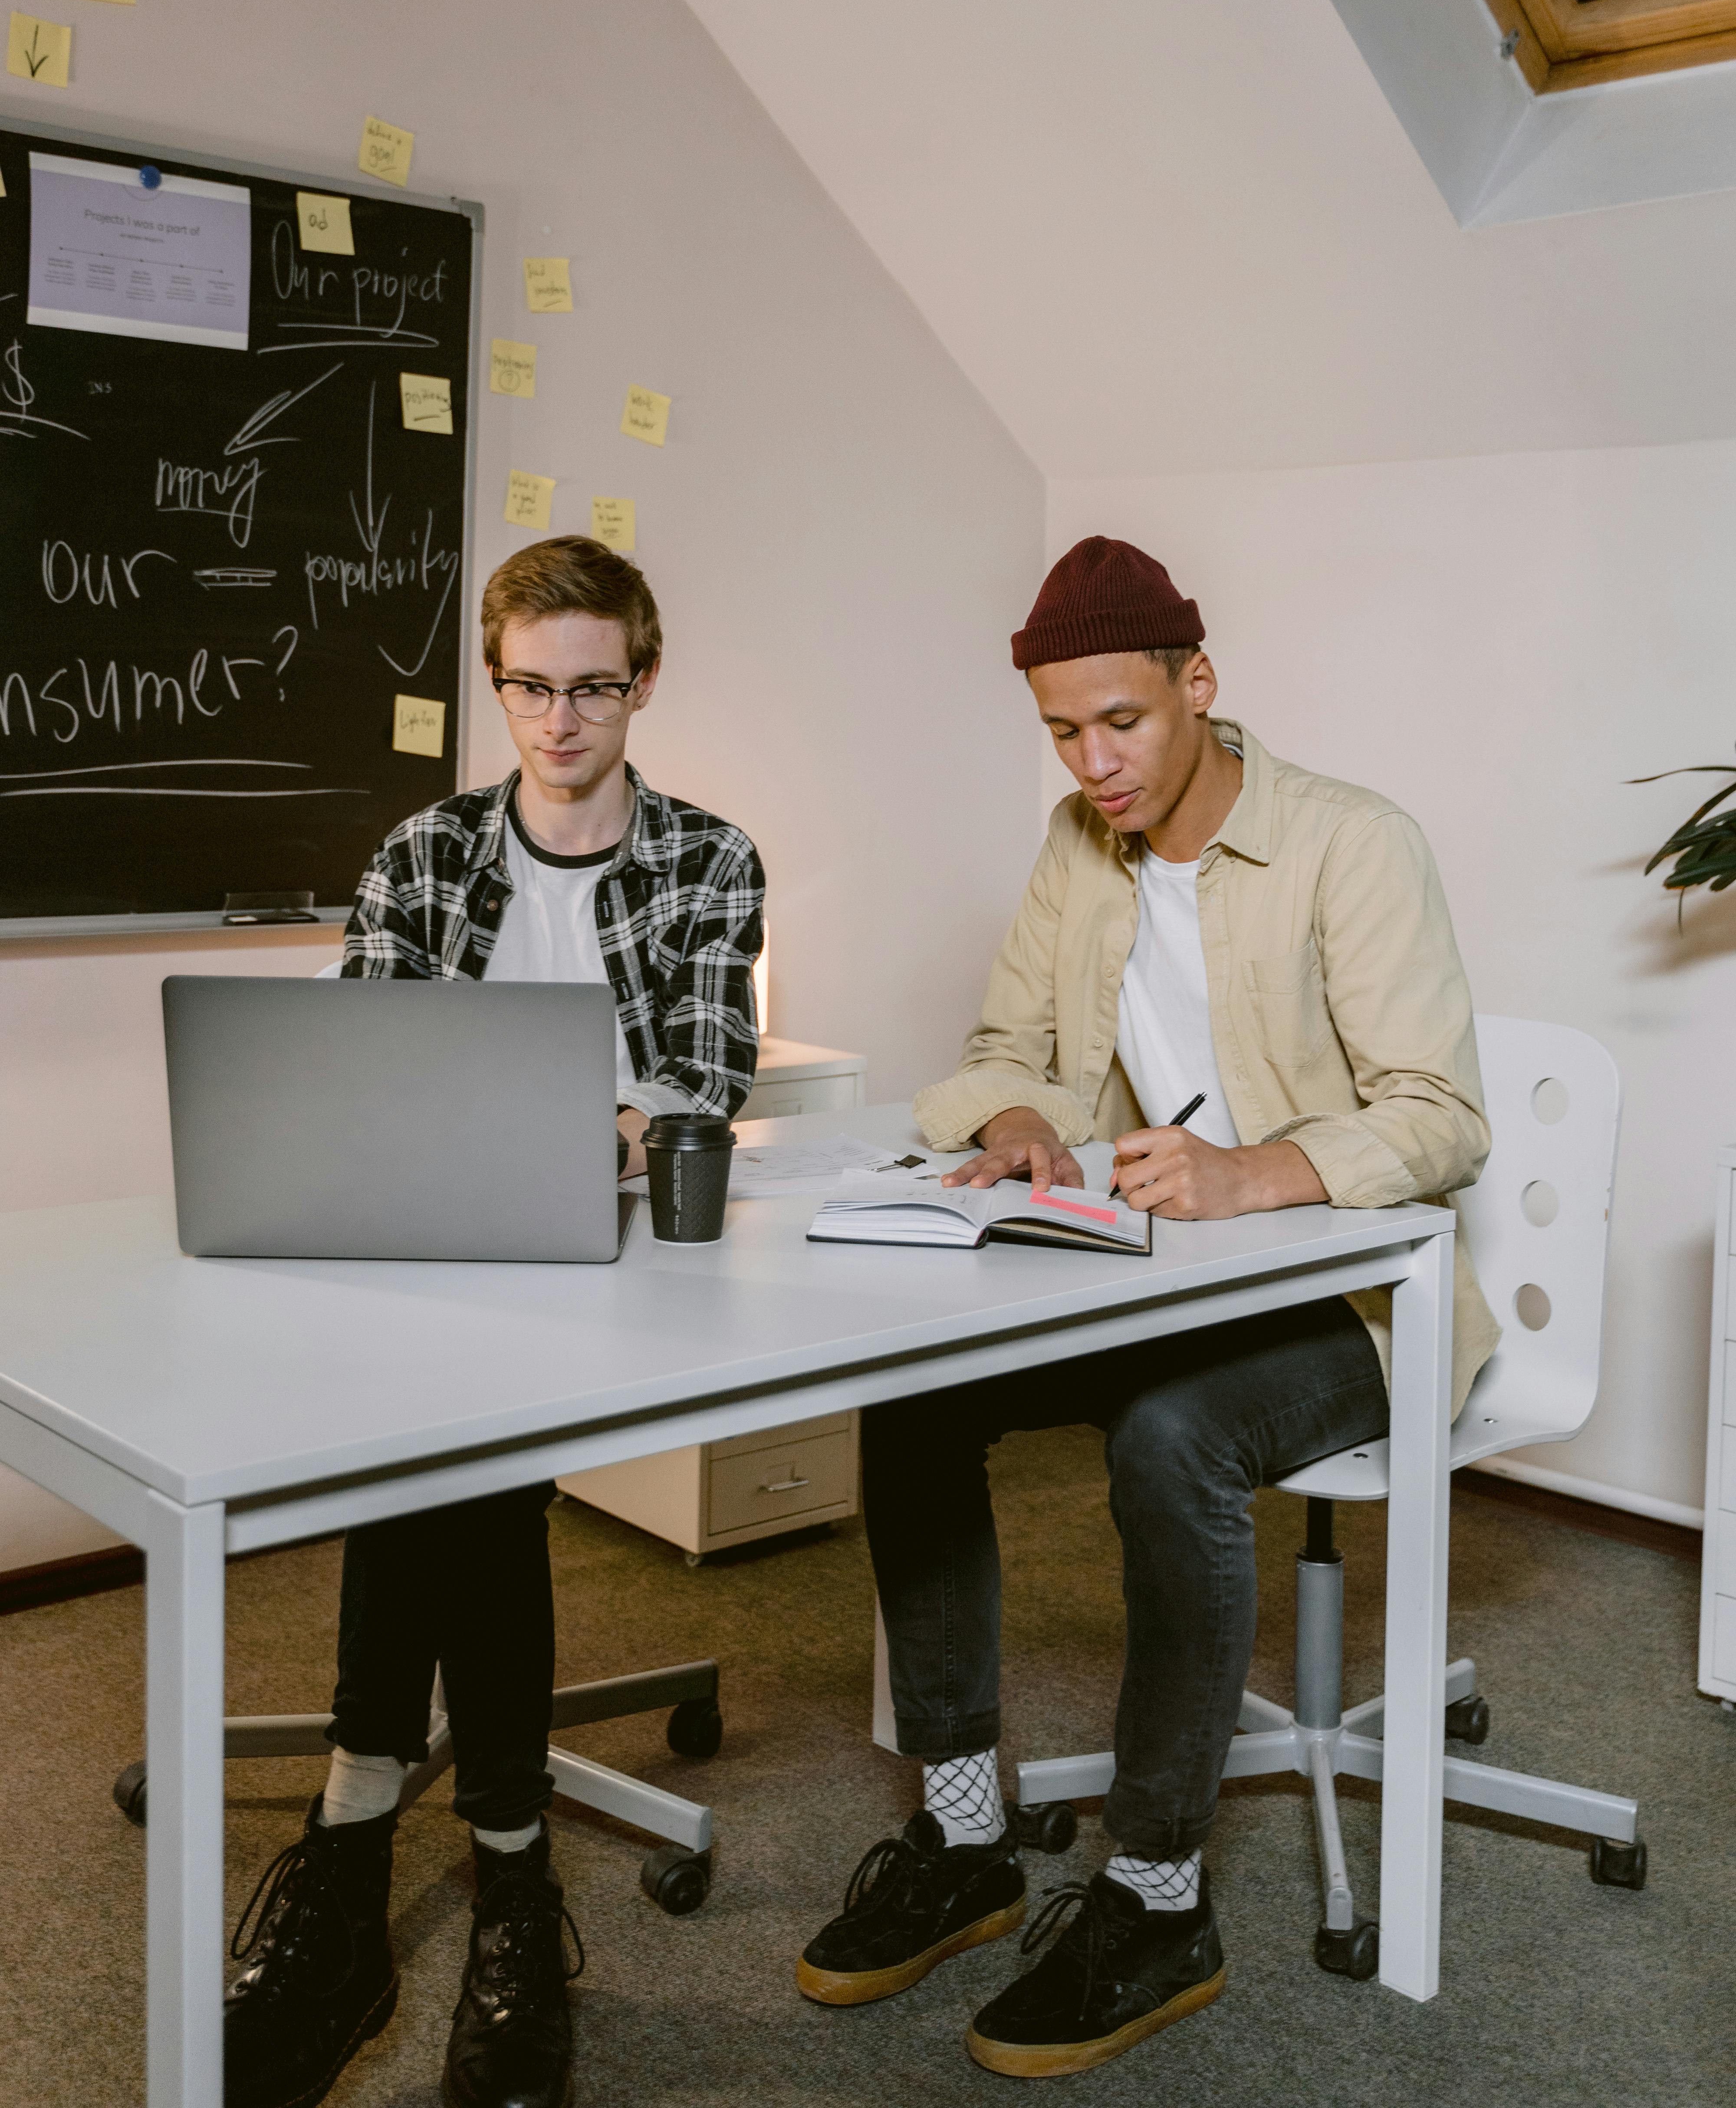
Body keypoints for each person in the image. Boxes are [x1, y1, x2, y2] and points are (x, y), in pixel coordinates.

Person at [798, 535, 1498, 2078]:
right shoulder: (1077, 843)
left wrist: (1259, 1174)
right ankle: (970, 1832)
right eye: (1061, 731)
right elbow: (1003, 1043)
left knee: (1170, 1442)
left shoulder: (1353, 844)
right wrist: (1015, 1128)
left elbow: (1444, 1116)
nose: (1094, 762)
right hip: (1157, 1274)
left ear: (1200, 685)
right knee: (914, 1387)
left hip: (1361, 1307)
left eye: (1122, 721)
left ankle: (1161, 1892)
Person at [224, 535, 765, 2108]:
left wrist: (570, 1126)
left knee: (442, 1462)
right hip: (445, 1253)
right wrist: (555, 1120)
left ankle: (352, 1844)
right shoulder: (426, 851)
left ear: (643, 681)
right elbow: (369, 1073)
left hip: (618, 1269)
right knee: (450, 1458)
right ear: (497, 680)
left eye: (594, 687)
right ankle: (511, 1877)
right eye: (530, 686)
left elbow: (707, 1079)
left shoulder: (708, 857)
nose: (560, 721)